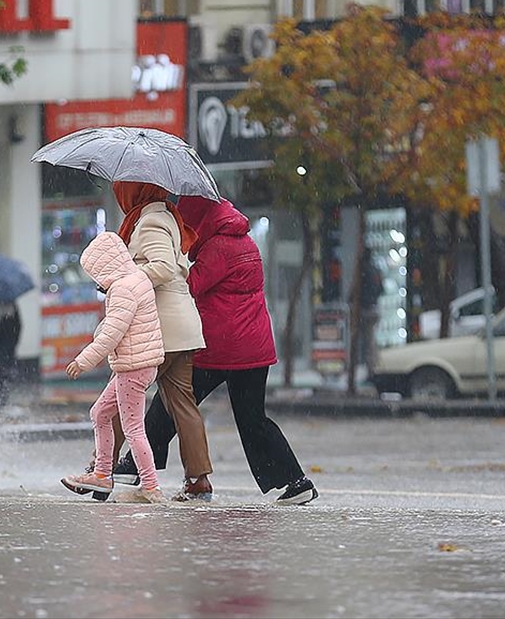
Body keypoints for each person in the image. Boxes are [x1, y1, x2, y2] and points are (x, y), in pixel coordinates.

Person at [112, 197, 318, 505]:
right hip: (254, 349)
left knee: (172, 400)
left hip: (221, 347)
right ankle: (295, 481)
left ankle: (134, 467)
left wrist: (168, 264)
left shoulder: (218, 248)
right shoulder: (244, 242)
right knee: (253, 419)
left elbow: (189, 286)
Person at [108, 181, 213, 501]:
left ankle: (100, 469)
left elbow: (164, 268)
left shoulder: (150, 220)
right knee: (183, 404)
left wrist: (125, 282)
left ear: (135, 190)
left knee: (117, 398)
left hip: (159, 328)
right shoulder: (168, 216)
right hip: (183, 327)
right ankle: (199, 480)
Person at [60, 232, 166, 504]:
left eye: (95, 274)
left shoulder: (122, 289)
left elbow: (112, 335)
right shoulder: (137, 278)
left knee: (133, 429)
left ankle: (151, 487)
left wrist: (83, 360)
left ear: (104, 268)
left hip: (132, 367)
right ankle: (102, 475)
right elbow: (118, 325)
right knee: (99, 413)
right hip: (140, 364)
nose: (96, 281)